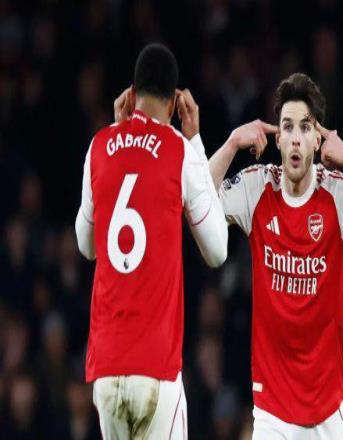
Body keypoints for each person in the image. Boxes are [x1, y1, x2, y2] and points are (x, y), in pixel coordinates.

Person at [209, 72, 343, 439]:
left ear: (317, 139)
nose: (296, 137)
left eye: (305, 127)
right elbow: (194, 206)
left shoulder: (339, 194)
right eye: (287, 127)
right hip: (271, 414)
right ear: (277, 139)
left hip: (326, 413)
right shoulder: (256, 187)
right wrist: (232, 144)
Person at [75, 43, 227, 439]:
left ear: (131, 94)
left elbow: (85, 246)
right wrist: (195, 141)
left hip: (106, 370)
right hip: (155, 368)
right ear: (176, 102)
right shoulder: (179, 149)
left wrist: (117, 132)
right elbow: (217, 250)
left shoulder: (99, 146)